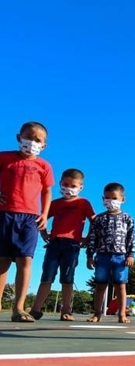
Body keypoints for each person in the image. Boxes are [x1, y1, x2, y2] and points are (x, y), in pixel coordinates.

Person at [0, 121, 54, 322]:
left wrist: (44, 214)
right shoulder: (4, 158)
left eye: (37, 140)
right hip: (4, 214)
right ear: (18, 137)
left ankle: (19, 308)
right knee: (2, 261)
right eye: (28, 137)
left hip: (30, 218)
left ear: (44, 145)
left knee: (25, 260)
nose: (32, 142)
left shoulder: (44, 166)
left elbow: (47, 191)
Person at [30, 168, 95, 321]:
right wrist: (44, 233)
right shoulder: (55, 203)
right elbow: (43, 217)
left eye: (73, 186)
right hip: (54, 244)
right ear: (60, 184)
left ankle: (66, 310)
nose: (68, 188)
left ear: (80, 187)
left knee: (67, 278)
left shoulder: (83, 203)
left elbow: (95, 221)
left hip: (72, 245)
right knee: (47, 277)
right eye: (65, 185)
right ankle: (35, 309)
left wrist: (88, 238)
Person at [86, 183, 135, 323]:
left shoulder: (127, 218)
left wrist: (131, 255)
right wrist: (90, 256)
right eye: (107, 198)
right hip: (102, 256)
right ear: (103, 199)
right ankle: (97, 314)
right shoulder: (98, 219)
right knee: (100, 285)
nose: (110, 201)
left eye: (114, 198)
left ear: (122, 199)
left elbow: (131, 238)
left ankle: (122, 314)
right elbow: (92, 238)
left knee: (120, 285)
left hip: (121, 257)